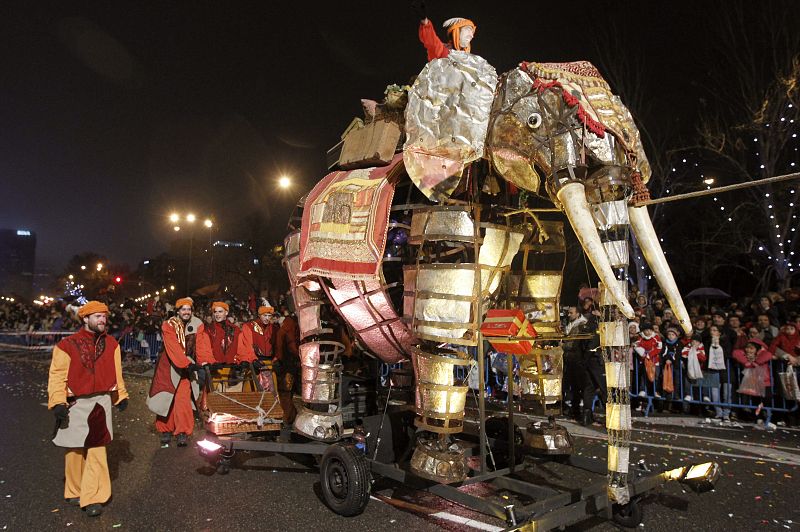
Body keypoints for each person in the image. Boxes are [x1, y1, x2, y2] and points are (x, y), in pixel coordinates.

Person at [47, 301, 128, 517]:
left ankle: (93, 496)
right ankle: (74, 490)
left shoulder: (112, 344)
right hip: (76, 402)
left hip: (101, 401)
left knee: (96, 449)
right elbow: (57, 375)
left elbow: (117, 373)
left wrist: (121, 396)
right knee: (74, 449)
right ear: (85, 318)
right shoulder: (66, 345)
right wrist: (57, 402)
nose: (103, 320)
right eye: (98, 316)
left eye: (104, 316)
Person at [147, 297, 213, 447]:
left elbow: (202, 346)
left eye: (189, 309)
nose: (186, 312)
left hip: (187, 367)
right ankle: (165, 430)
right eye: (183, 309)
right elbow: (172, 348)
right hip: (169, 366)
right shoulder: (168, 325)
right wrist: (186, 364)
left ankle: (182, 431)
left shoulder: (198, 324)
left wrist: (205, 361)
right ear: (178, 311)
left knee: (182, 399)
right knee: (166, 398)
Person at [238, 303, 277, 390]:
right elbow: (247, 345)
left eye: (269, 315)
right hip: (254, 364)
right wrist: (253, 359)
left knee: (271, 396)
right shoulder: (249, 327)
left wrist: (277, 359)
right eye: (265, 315)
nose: (267, 318)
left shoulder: (274, 328)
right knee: (253, 395)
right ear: (259, 315)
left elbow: (277, 346)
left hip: (269, 365)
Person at [273, 307, 301, 425]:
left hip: (287, 364)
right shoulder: (294, 325)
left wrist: (278, 359)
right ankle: (296, 417)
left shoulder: (282, 330)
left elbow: (280, 349)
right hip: (297, 363)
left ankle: (287, 417)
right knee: (297, 391)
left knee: (285, 391)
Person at [562, 306, 589, 420]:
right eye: (568, 313)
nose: (569, 315)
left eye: (571, 313)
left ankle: (577, 410)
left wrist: (563, 344)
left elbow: (573, 343)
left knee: (576, 386)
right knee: (572, 386)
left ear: (578, 314)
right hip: (571, 359)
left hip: (576, 359)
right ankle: (574, 409)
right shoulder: (571, 324)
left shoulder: (580, 325)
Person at [633, 322, 662, 400]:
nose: (648, 332)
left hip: (655, 361)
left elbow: (659, 347)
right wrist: (643, 353)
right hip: (644, 361)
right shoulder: (640, 337)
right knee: (644, 376)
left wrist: (650, 354)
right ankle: (642, 390)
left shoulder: (656, 337)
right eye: (646, 330)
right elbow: (636, 346)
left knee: (655, 376)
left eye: (650, 330)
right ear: (643, 331)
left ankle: (656, 391)